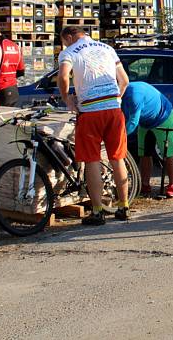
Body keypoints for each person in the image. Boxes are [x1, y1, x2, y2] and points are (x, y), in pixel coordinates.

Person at [58, 26, 130, 225]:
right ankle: (124, 206)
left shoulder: (69, 52)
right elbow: (124, 80)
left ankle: (97, 211)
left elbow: (64, 76)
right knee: (118, 158)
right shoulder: (107, 48)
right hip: (113, 109)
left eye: (64, 41)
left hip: (90, 110)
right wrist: (116, 99)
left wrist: (67, 99)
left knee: (92, 160)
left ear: (70, 37)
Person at [121, 81, 173, 199]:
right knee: (144, 153)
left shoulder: (134, 96)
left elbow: (132, 122)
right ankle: (145, 185)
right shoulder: (119, 95)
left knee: (168, 153)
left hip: (163, 116)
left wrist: (119, 137)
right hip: (145, 121)